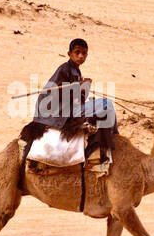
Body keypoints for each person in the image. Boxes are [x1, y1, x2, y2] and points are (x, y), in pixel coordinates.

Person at [19, 39, 118, 179]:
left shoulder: (76, 71)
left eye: (84, 53)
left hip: (71, 108)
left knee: (102, 106)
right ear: (69, 54)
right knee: (106, 104)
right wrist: (78, 86)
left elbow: (78, 98)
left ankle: (105, 144)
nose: (81, 56)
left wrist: (84, 87)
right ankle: (113, 139)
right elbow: (56, 93)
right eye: (77, 53)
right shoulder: (64, 69)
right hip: (59, 112)